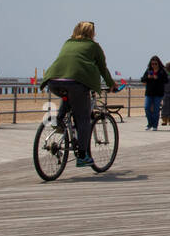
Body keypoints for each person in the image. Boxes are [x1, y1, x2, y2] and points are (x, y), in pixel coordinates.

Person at [41, 21, 119, 167]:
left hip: (54, 81)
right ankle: (82, 156)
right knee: (83, 119)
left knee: (68, 97)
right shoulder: (93, 46)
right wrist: (111, 85)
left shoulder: (68, 43)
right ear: (92, 33)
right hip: (76, 83)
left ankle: (59, 121)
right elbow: (102, 68)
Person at [140, 55, 167, 131]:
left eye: (155, 64)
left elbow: (166, 80)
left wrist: (157, 78)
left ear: (158, 64)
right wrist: (148, 77)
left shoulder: (162, 71)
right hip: (149, 93)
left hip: (158, 93)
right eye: (152, 64)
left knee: (156, 109)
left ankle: (155, 125)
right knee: (147, 107)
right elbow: (142, 79)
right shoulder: (148, 70)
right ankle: (150, 123)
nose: (154, 65)